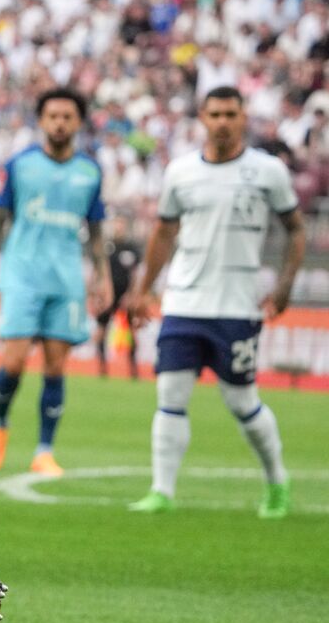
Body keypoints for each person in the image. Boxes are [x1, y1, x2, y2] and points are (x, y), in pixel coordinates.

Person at [128, 87, 305, 519]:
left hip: (238, 307)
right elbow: (164, 233)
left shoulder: (268, 171)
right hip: (185, 302)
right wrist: (144, 287)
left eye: (230, 113)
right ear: (202, 119)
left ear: (243, 117)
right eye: (215, 114)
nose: (223, 121)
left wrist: (284, 284)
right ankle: (161, 490)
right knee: (170, 395)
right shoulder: (181, 171)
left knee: (242, 402)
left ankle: (276, 481)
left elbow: (296, 230)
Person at [0, 88, 114, 477]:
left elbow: (97, 229)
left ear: (79, 123)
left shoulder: (90, 171)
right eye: (53, 116)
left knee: (56, 367)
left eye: (67, 117)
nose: (60, 123)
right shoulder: (21, 165)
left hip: (67, 279)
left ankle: (44, 451)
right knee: (15, 360)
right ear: (41, 120)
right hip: (22, 274)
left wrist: (102, 275)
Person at [92, 215, 142, 380]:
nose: (118, 228)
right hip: (108, 295)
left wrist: (131, 295)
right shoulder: (107, 247)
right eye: (116, 225)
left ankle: (133, 370)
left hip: (125, 297)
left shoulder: (132, 248)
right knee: (101, 331)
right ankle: (102, 368)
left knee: (132, 332)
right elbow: (98, 271)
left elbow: (136, 274)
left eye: (121, 225)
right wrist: (97, 292)